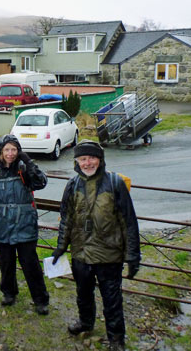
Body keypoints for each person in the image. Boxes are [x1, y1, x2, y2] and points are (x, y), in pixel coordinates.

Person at [52, 140, 141, 351]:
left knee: (112, 299)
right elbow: (67, 219)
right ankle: (85, 322)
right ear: (77, 162)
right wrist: (61, 247)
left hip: (109, 255)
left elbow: (129, 221)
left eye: (92, 158)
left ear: (100, 160)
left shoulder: (115, 183)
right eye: (83, 159)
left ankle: (116, 338)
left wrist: (133, 255)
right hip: (80, 253)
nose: (87, 163)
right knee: (83, 293)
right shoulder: (72, 185)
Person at [0, 134, 50, 315]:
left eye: (14, 149)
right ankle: (9, 293)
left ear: (19, 151)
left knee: (30, 263)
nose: (10, 153)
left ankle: (40, 299)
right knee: (6, 262)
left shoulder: (24, 168)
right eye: (6, 149)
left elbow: (41, 182)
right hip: (3, 223)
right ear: (0, 151)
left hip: (25, 222)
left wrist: (29, 163)